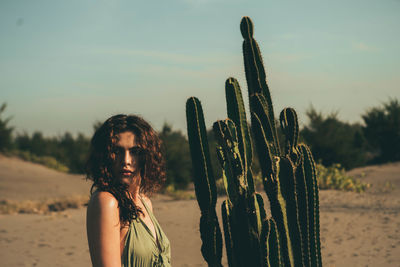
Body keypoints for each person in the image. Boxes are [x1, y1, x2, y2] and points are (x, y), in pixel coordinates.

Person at [86, 114, 171, 267]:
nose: (126, 161)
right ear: (106, 156)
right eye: (117, 151)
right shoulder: (107, 202)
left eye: (135, 151)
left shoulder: (145, 202)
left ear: (146, 156)